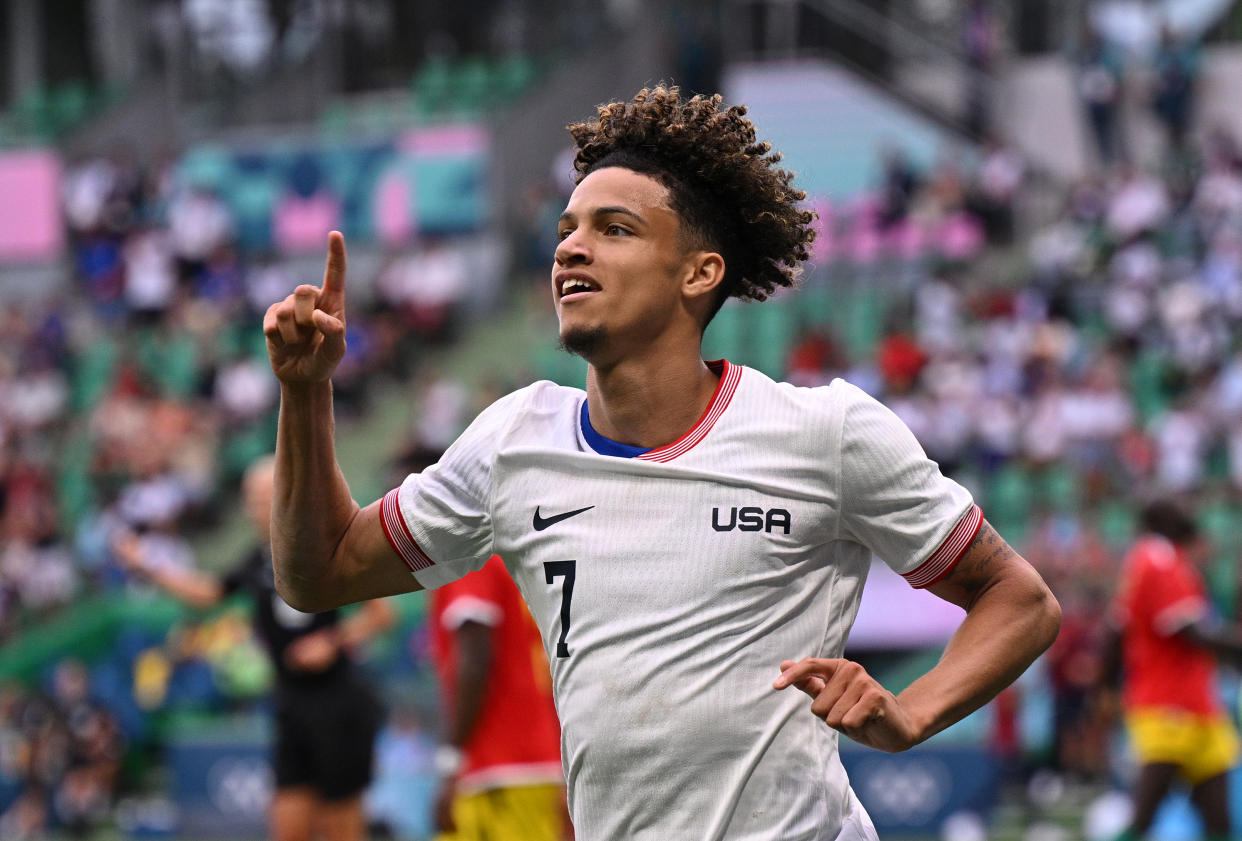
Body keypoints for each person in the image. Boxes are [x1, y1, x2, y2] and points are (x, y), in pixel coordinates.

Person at [263, 85, 1061, 841]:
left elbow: (1019, 600)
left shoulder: (827, 431)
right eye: (568, 227)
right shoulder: (513, 442)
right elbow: (320, 573)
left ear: (699, 272)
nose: (572, 245)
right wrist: (305, 395)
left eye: (615, 228)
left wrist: (912, 712)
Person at [115, 455, 392, 841]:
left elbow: (382, 614)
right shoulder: (257, 559)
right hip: (291, 705)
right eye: (251, 499)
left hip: (337, 704)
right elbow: (208, 593)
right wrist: (146, 564)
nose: (255, 509)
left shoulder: (323, 545)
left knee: (340, 830)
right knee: (287, 826)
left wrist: (331, 642)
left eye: (264, 497)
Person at [1102, 499, 1242, 841]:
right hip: (1167, 703)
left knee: (1219, 818)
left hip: (1198, 704)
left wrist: (1105, 686)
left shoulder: (1153, 561)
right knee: (1146, 814)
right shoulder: (1157, 557)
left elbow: (1117, 630)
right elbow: (1190, 633)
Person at [429, 554, 568, 841]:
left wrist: (452, 758)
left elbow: (475, 659)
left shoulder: (469, 559)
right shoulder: (515, 558)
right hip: (527, 761)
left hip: (500, 766)